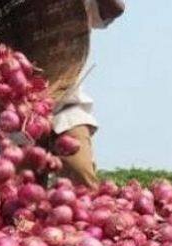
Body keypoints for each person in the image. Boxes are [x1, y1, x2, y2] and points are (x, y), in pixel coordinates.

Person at [54, 0, 126, 188]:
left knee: (82, 178)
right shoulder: (11, 18)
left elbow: (115, 9)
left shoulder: (70, 6)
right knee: (18, 195)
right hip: (23, 118)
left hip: (65, 110)